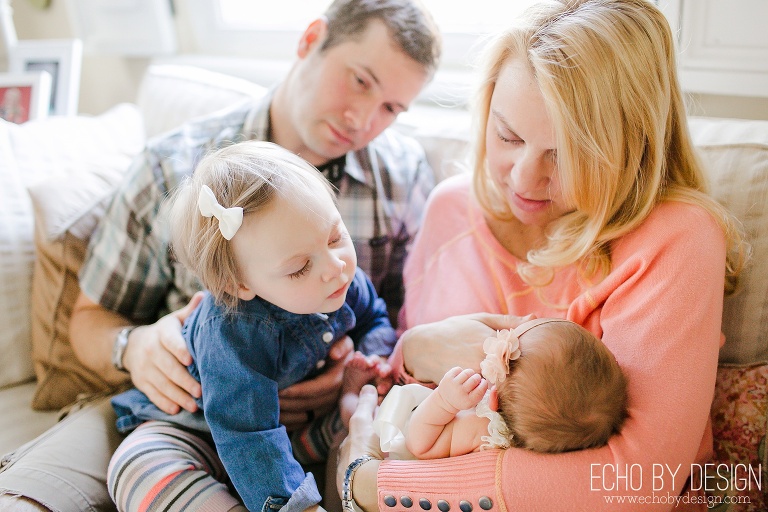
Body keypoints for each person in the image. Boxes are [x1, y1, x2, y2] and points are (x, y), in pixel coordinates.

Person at [0, 1, 441, 510]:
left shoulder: (401, 179)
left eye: (392, 108)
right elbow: (87, 320)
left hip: (317, 422)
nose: (363, 119)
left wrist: (363, 373)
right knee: (72, 486)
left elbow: (392, 318)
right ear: (311, 40)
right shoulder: (172, 167)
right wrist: (135, 346)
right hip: (178, 411)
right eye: (360, 81)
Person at [338, 1, 748, 511]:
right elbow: (399, 391)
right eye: (508, 135)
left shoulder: (675, 237)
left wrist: (372, 487)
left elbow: (638, 481)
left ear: (632, 145)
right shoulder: (452, 209)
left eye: (566, 155)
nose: (523, 179)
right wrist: (418, 346)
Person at [107, 141, 396, 512]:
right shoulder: (231, 331)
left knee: (366, 417)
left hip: (291, 434)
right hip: (200, 431)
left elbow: (374, 316)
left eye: (335, 237)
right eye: (299, 268)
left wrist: (374, 359)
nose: (335, 266)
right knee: (141, 465)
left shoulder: (340, 278)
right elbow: (247, 435)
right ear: (238, 285)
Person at [372, 318, 627, 461]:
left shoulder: (482, 428)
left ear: (492, 399)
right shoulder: (544, 431)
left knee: (360, 410)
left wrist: (444, 402)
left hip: (396, 451)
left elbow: (419, 445)